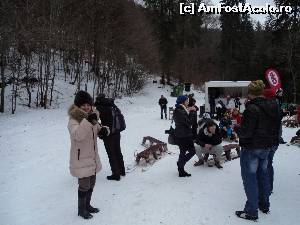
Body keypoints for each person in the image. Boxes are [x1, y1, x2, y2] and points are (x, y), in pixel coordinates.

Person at [235, 80, 280, 221]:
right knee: (263, 176)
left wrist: (237, 128)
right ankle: (264, 204)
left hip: (252, 148)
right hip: (266, 147)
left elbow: (247, 132)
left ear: (251, 93)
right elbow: (276, 127)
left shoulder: (252, 109)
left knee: (250, 179)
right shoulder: (274, 105)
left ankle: (251, 211)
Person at [68, 91, 109, 219]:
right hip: (81, 159)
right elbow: (78, 135)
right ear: (78, 107)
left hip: (92, 157)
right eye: (83, 105)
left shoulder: (92, 117)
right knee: (84, 185)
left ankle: (88, 205)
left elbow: (98, 128)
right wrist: (87, 121)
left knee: (91, 183)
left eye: (88, 105)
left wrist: (104, 130)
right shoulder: (74, 120)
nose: (86, 107)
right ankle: (81, 210)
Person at [95, 94, 126, 181]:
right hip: (117, 132)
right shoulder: (112, 105)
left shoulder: (100, 108)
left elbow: (95, 120)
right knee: (118, 152)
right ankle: (122, 171)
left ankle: (116, 174)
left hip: (108, 133)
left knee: (111, 154)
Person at [173, 95, 196, 177]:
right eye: (187, 101)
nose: (188, 102)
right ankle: (181, 169)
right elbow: (189, 123)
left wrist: (189, 110)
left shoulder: (181, 110)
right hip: (183, 136)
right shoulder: (179, 111)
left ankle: (180, 164)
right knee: (184, 152)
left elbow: (186, 121)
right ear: (182, 102)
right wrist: (192, 112)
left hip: (185, 135)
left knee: (191, 151)